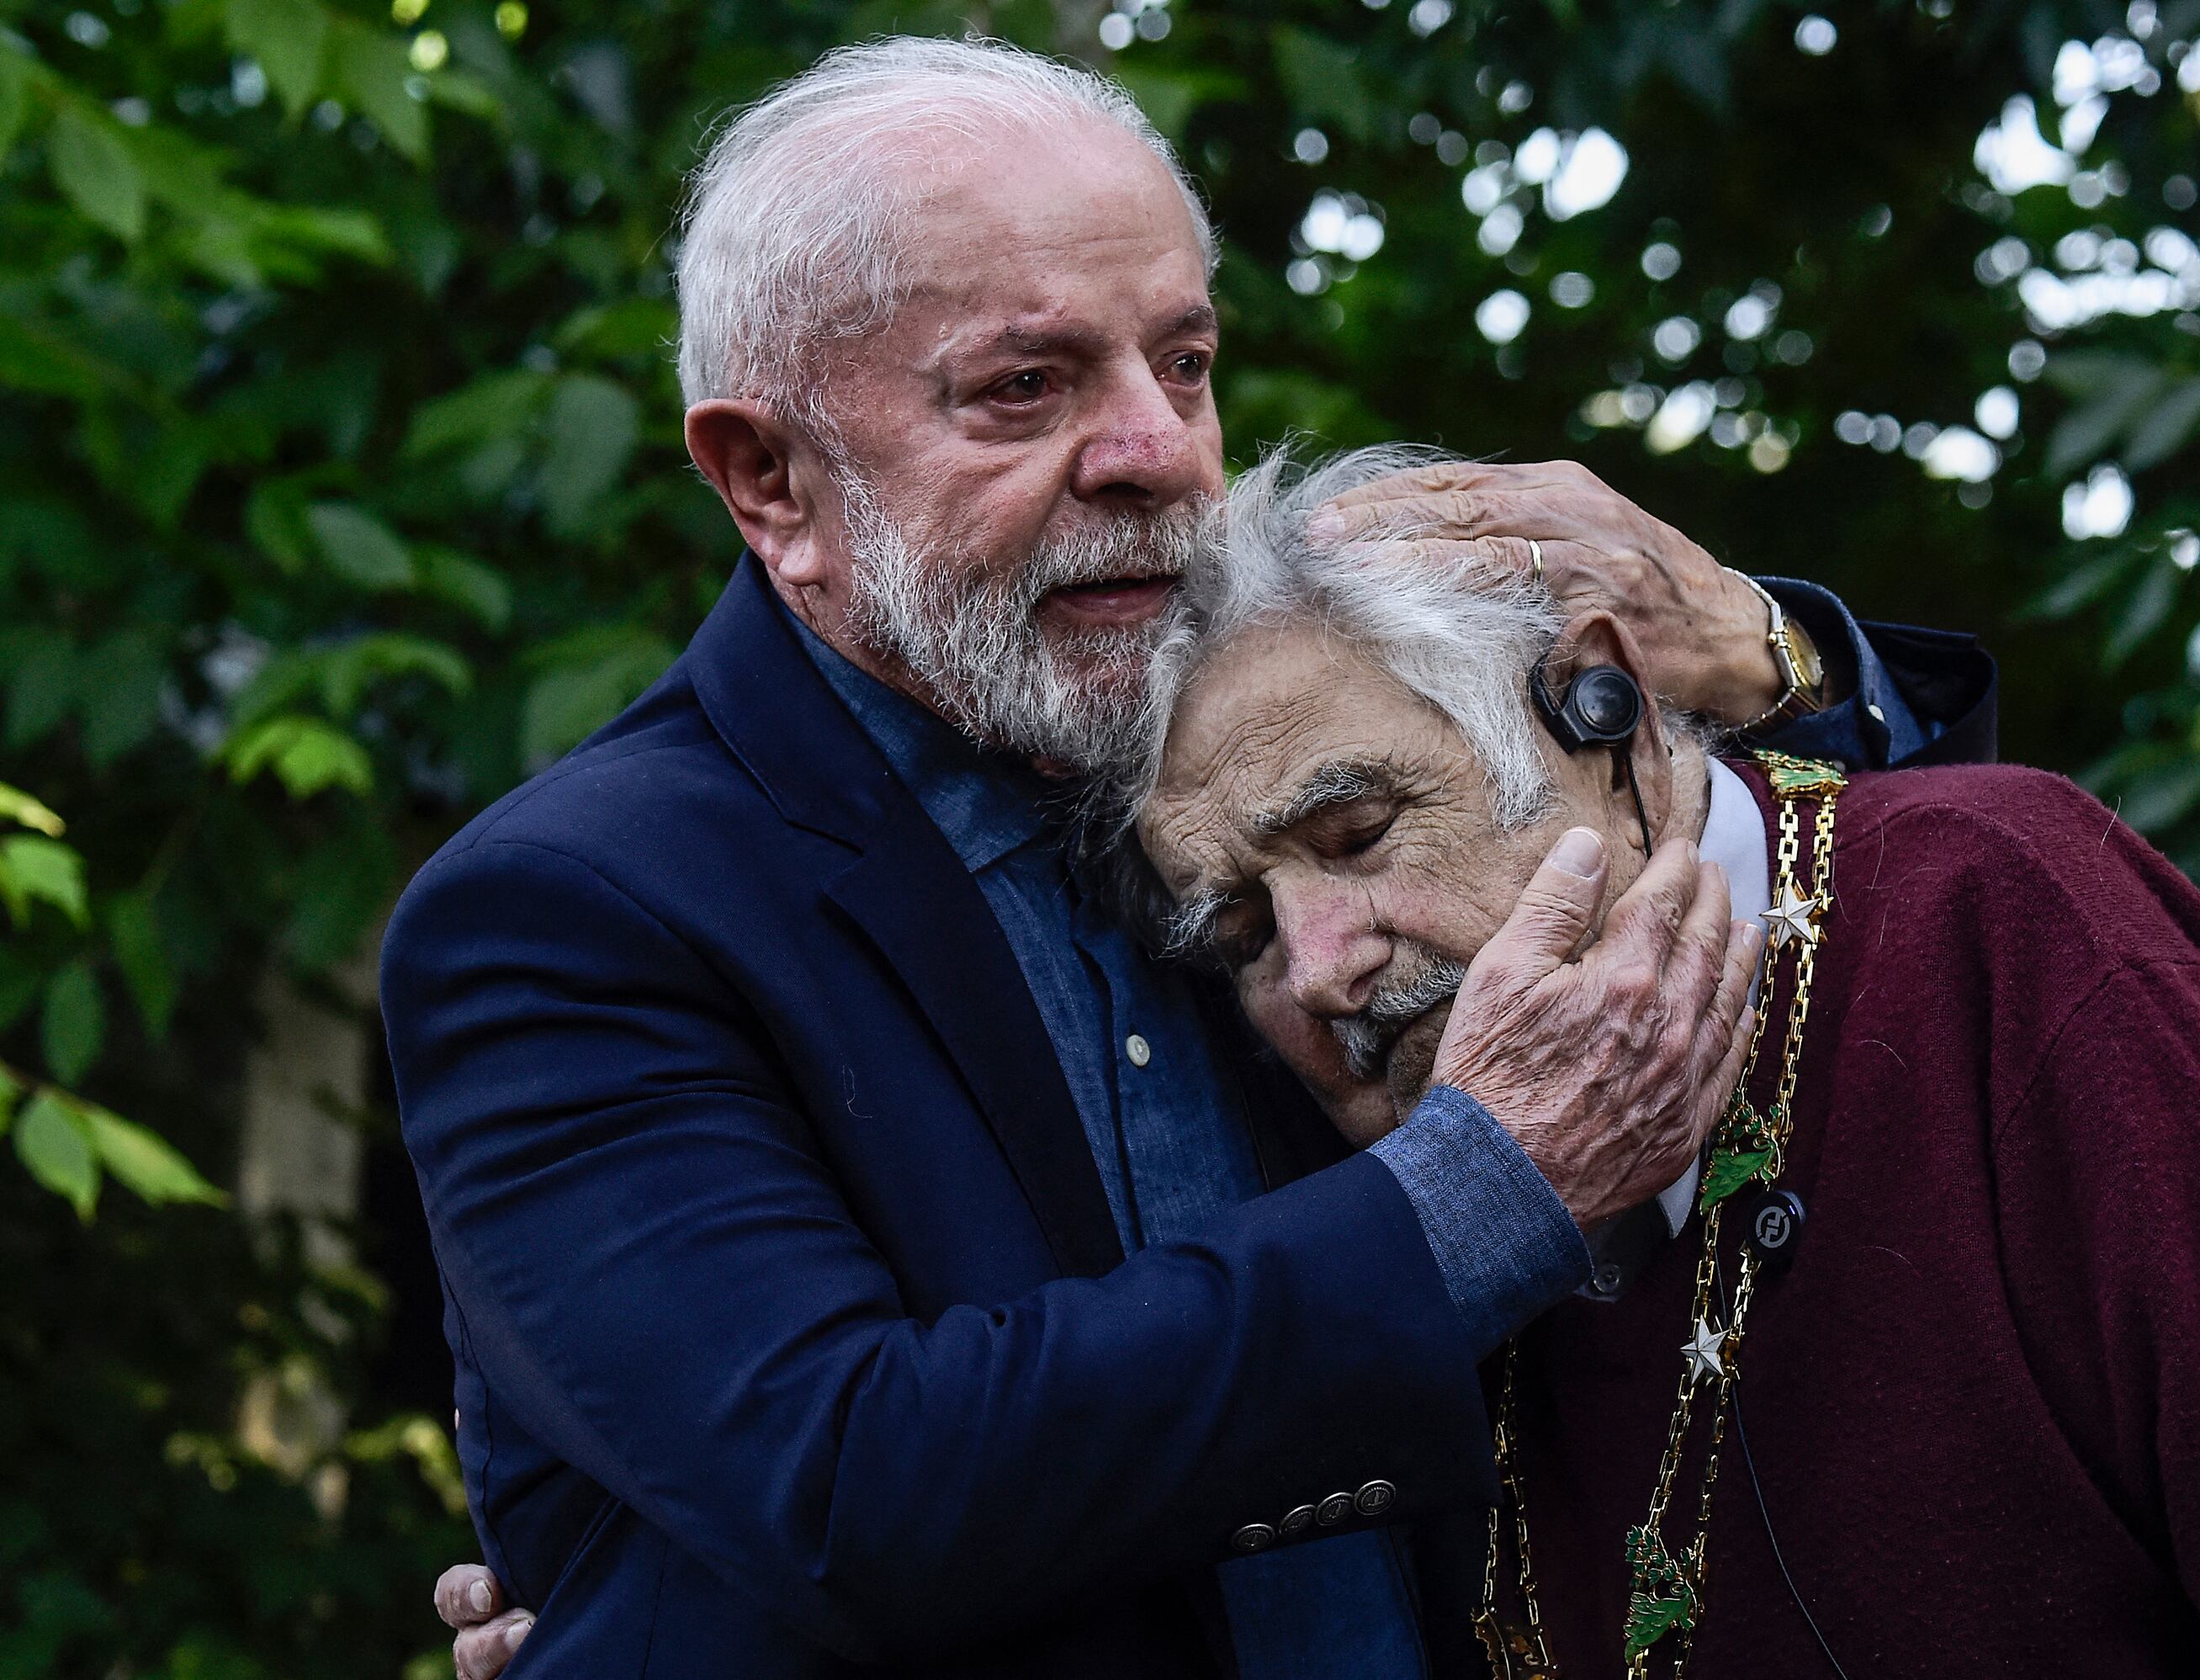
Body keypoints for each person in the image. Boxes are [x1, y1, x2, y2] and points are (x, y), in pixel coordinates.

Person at [395, 38, 1996, 1680]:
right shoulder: (571, 912)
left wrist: (1771, 655)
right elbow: (853, 1489)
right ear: (769, 479)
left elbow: (1863, 941)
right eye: (1026, 388)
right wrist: (1479, 1193)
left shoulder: (1274, 732)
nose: (1158, 451)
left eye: (1185, 361)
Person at [1122, 447, 2200, 1678]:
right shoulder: (1369, 1212)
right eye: (1242, 928)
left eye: (1360, 834)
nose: (1318, 965)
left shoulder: (2000, 909)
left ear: (1593, 706)